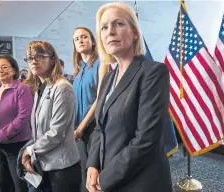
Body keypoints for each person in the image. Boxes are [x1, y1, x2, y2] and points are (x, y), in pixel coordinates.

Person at [86, 2, 173, 192]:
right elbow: (99, 128)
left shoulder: (153, 72)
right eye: (104, 27)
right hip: (109, 177)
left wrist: (104, 179)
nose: (110, 32)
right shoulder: (109, 77)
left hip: (141, 182)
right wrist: (92, 164)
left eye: (118, 24)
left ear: (135, 33)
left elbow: (146, 140)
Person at [21, 40, 81, 192]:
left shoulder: (62, 87)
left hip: (62, 168)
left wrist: (30, 151)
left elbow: (56, 132)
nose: (34, 61)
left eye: (39, 56)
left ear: (52, 59)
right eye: (30, 58)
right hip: (43, 164)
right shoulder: (41, 88)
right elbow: (38, 132)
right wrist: (30, 155)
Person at [0, 54, 33, 192]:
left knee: (20, 185)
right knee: (3, 185)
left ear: (14, 70)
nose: (0, 70)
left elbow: (23, 117)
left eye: (4, 67)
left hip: (17, 146)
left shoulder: (22, 88)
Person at [72, 26, 108, 191]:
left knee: (96, 173)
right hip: (79, 128)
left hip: (94, 126)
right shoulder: (79, 71)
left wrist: (82, 126)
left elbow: (100, 98)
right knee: (83, 174)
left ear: (93, 41)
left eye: (84, 37)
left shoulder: (102, 63)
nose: (80, 40)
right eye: (76, 39)